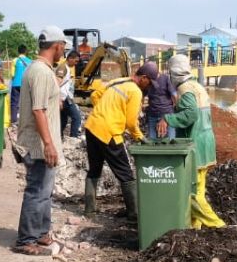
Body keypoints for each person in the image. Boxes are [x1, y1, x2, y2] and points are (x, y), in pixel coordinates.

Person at [12, 28, 68, 256]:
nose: (63, 51)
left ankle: (42, 233)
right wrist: (48, 143)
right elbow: (38, 110)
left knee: (45, 190)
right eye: (63, 46)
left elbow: (43, 105)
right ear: (57, 46)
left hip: (41, 142)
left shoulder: (38, 70)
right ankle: (26, 239)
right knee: (37, 190)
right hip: (38, 145)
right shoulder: (42, 72)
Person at [83, 64, 156, 221]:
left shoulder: (118, 81)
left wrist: (104, 112)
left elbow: (95, 95)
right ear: (143, 78)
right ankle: (134, 213)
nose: (149, 86)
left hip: (92, 126)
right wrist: (140, 137)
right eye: (149, 82)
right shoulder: (135, 91)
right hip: (109, 133)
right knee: (125, 173)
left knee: (94, 169)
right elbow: (131, 122)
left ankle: (89, 210)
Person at [158, 54, 224, 228]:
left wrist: (168, 119)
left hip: (195, 145)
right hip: (205, 143)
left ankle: (218, 225)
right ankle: (194, 227)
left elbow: (191, 114)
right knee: (199, 190)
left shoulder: (185, 89)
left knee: (191, 194)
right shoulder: (197, 86)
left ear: (173, 73)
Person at [144, 60, 177, 142]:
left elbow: (174, 96)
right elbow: (142, 96)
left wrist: (173, 109)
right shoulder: (147, 81)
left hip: (167, 115)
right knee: (153, 140)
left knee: (170, 139)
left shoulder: (165, 78)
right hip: (153, 114)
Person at [59, 50, 83, 139]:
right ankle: (73, 137)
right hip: (63, 99)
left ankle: (59, 137)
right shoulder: (63, 68)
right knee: (76, 117)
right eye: (76, 61)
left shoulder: (67, 68)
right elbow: (56, 84)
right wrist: (59, 99)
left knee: (63, 120)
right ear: (70, 58)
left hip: (65, 98)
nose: (76, 63)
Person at [10, 45, 32, 123]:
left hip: (16, 84)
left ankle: (13, 120)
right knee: (26, 102)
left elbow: (12, 74)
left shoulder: (15, 60)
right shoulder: (30, 61)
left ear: (18, 51)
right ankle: (25, 120)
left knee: (14, 102)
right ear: (26, 51)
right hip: (26, 84)